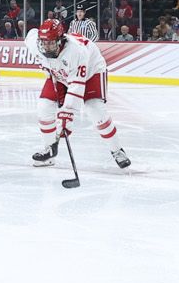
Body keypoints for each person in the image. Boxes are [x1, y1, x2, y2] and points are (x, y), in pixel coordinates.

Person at [25, 18, 130, 170]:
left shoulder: (77, 51)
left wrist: (67, 116)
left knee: (95, 109)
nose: (46, 47)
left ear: (61, 40)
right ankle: (49, 150)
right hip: (60, 74)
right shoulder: (34, 44)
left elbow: (76, 87)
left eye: (51, 43)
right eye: (44, 43)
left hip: (91, 71)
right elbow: (31, 34)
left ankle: (117, 150)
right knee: (44, 106)